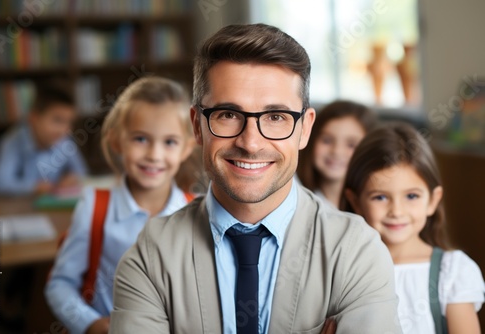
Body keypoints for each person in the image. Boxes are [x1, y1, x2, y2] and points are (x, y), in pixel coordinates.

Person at [110, 23, 401, 334]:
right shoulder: (151, 255)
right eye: (228, 114)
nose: (251, 143)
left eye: (276, 117)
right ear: (196, 125)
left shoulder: (355, 250)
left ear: (304, 128)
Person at [45, 76, 196, 334]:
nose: (154, 155)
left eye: (169, 142)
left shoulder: (197, 213)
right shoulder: (94, 206)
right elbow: (60, 285)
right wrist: (90, 323)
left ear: (186, 148)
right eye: (140, 139)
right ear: (117, 141)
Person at [342, 122, 485, 334]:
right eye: (380, 197)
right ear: (356, 201)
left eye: (411, 196)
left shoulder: (452, 272)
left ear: (433, 201)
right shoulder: (344, 269)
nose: (397, 211)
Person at [0, 80, 87, 195]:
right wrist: (34, 187)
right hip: (21, 208)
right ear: (34, 118)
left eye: (69, 122)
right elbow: (0, 184)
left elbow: (82, 172)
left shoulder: (64, 140)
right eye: (57, 120)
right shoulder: (11, 142)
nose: (64, 129)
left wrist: (72, 178)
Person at [296, 100, 376, 208]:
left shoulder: (373, 205)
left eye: (351, 145)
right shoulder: (294, 193)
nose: (337, 152)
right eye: (327, 140)